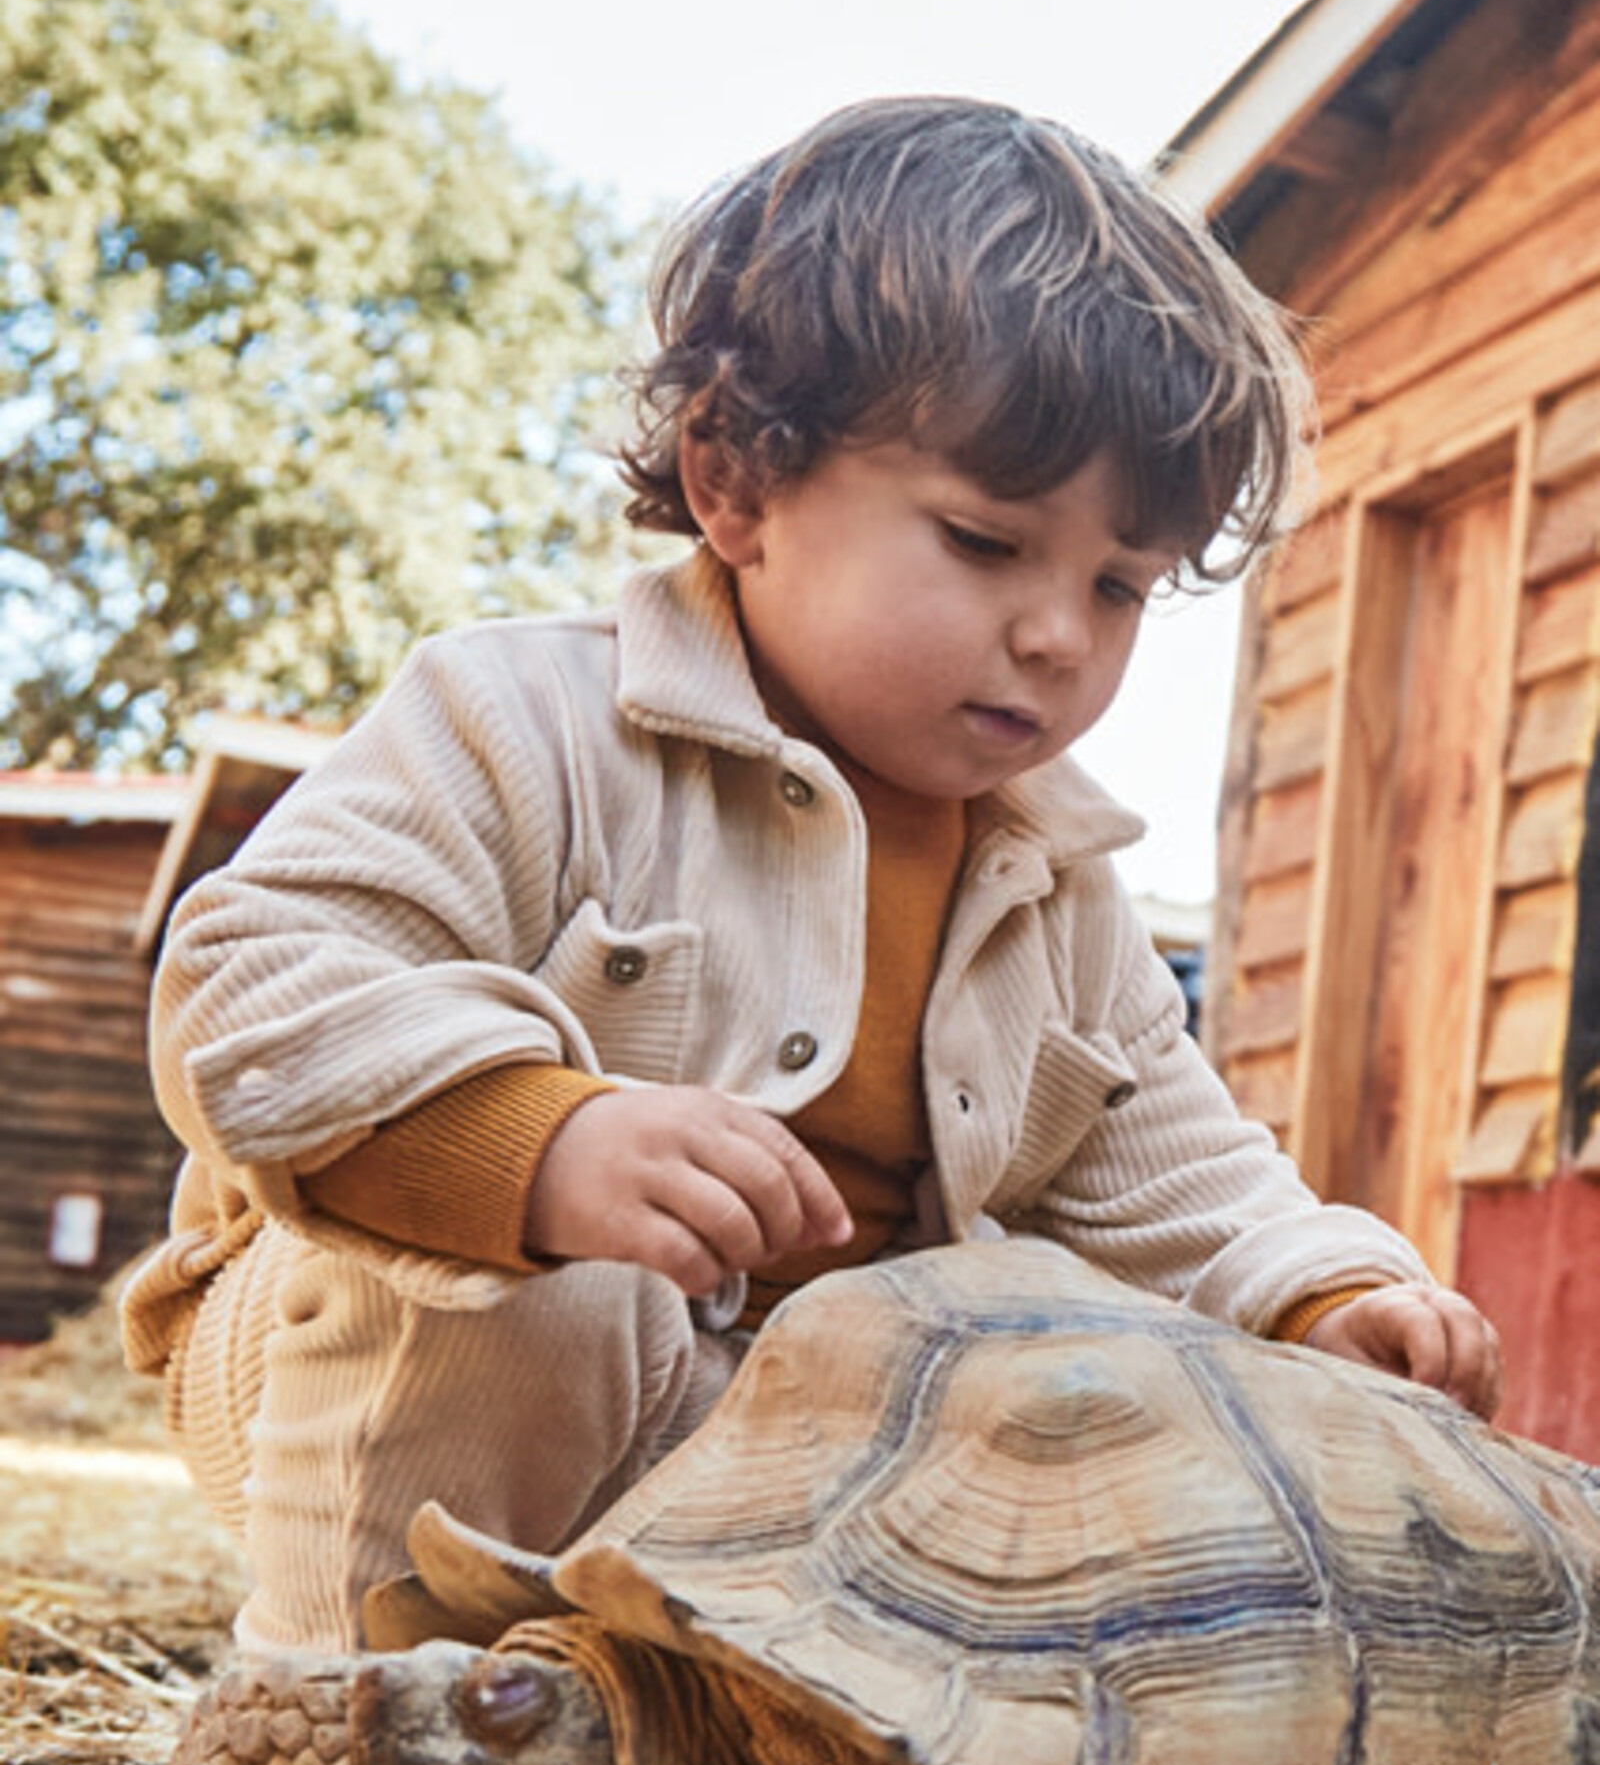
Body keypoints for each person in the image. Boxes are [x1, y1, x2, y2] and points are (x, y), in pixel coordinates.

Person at [122, 96, 1503, 1654]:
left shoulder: (1055, 880)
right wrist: (537, 1146)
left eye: (1119, 586)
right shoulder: (520, 721)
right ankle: (348, 1712)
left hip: (782, 1466)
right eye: (987, 543)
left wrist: (1323, 1294)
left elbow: (1179, 1176)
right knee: (571, 1297)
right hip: (375, 1375)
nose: (1059, 633)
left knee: (1063, 1378)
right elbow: (250, 986)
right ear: (737, 483)